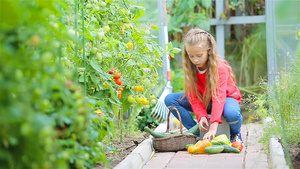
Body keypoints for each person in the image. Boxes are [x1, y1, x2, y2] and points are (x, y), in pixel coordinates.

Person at [165, 27, 243, 143]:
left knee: (231, 113)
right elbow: (193, 96)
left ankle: (235, 134)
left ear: (209, 50)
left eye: (199, 55)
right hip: (204, 100)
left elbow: (219, 97)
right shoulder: (190, 68)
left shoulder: (219, 68)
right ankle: (197, 134)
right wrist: (201, 115)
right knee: (170, 100)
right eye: (191, 56)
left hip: (225, 99)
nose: (195, 60)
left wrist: (213, 127)